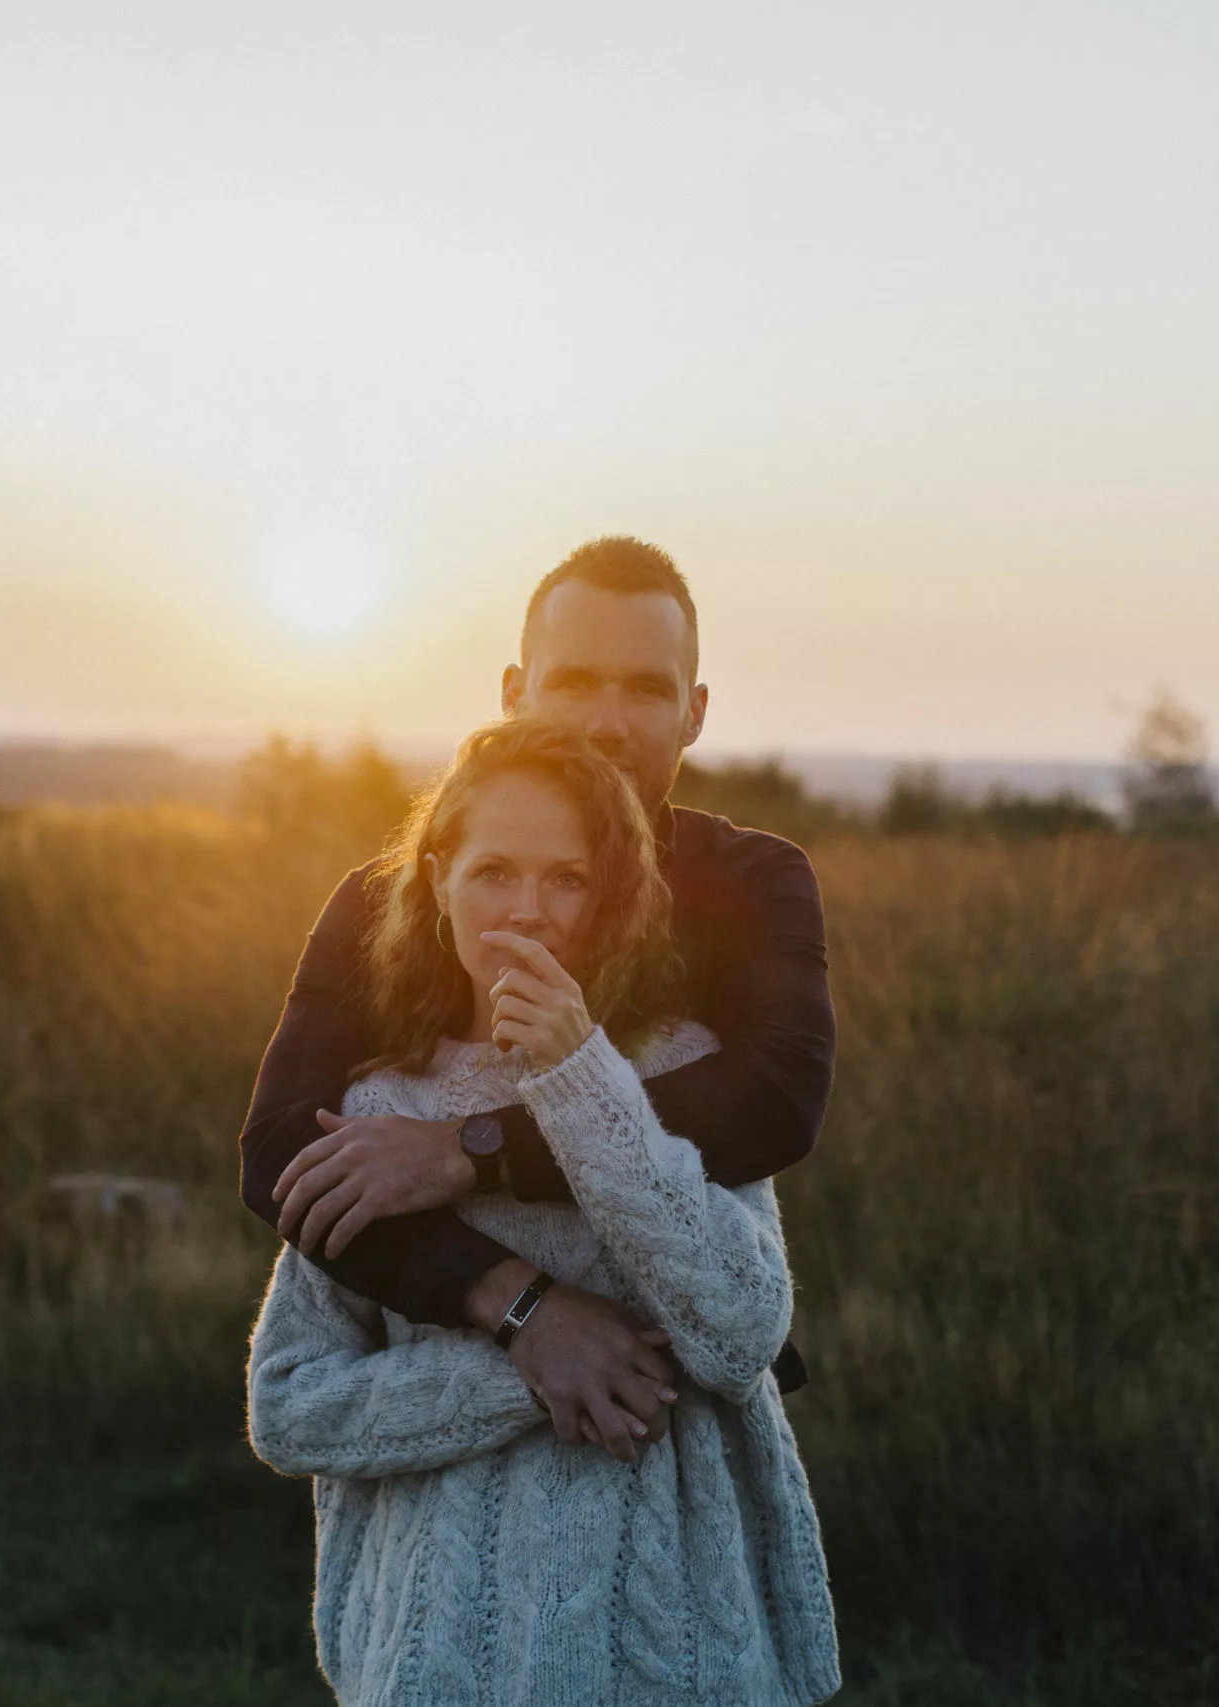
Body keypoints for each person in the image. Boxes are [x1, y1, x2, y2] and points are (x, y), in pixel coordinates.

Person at [246, 718, 841, 1705]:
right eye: (493, 873)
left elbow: (740, 1335)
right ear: (437, 881)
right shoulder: (380, 1111)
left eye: (567, 879)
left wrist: (579, 1079)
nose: (527, 911)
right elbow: (290, 1404)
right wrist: (529, 1364)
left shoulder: (683, 1073)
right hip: (440, 1665)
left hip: (680, 1661)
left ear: (612, 897)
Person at [238, 537, 834, 1447]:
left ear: (694, 712)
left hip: (684, 1429)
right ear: (515, 693)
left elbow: (775, 1099)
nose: (607, 722)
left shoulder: (753, 880)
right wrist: (519, 1304)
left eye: (646, 689)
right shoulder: (385, 901)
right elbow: (283, 1151)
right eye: (575, 682)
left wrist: (471, 1150)